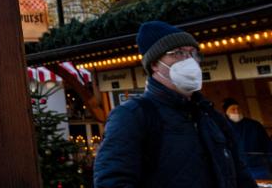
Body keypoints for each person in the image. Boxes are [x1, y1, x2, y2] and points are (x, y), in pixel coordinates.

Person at [94, 20, 255, 187]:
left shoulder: (212, 117)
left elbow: (241, 175)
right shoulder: (133, 116)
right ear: (155, 64)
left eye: (193, 53)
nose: (190, 60)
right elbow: (112, 181)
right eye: (178, 53)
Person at [224, 98, 272, 180]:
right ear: (226, 112)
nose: (237, 111)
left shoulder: (254, 125)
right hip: (235, 169)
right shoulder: (222, 128)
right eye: (233, 109)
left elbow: (268, 145)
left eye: (238, 108)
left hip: (258, 167)